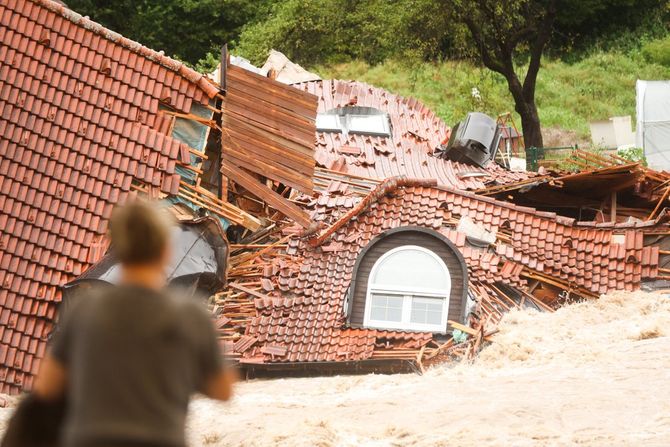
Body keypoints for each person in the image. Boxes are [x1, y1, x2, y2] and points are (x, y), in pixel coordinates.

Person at [32, 199, 236, 447]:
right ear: (164, 251)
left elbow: (48, 385)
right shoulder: (188, 315)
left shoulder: (85, 310)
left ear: (116, 250)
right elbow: (222, 390)